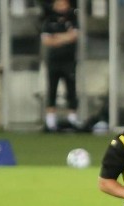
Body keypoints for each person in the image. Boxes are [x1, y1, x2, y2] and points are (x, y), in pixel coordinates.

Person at [41, 0, 79, 132]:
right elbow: (47, 41)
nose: (62, 7)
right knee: (52, 89)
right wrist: (65, 37)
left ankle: (72, 119)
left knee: (71, 89)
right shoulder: (49, 21)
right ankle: (50, 121)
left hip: (69, 61)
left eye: (65, 4)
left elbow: (74, 36)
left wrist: (57, 37)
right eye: (60, 4)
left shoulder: (72, 19)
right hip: (53, 61)